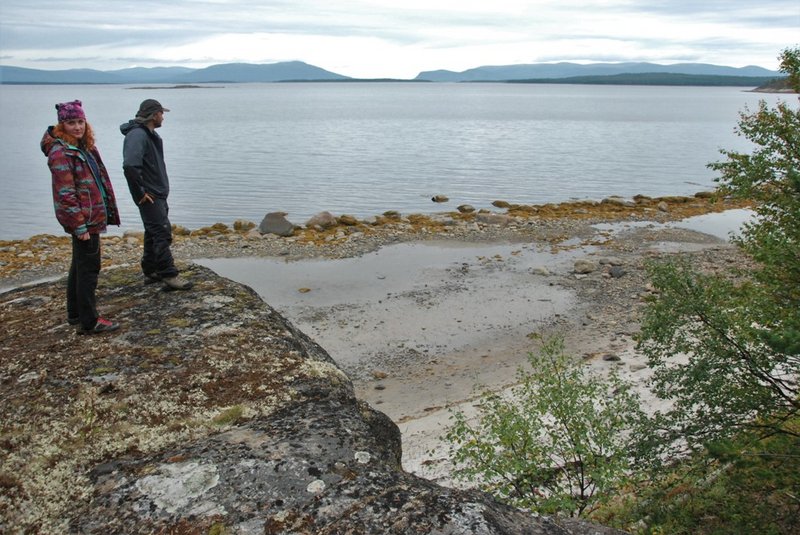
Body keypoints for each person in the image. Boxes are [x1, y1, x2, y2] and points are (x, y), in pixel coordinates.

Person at [41, 100, 121, 334]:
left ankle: (75, 314)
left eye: (80, 122)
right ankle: (90, 321)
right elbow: (65, 194)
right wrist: (79, 225)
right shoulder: (61, 152)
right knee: (89, 269)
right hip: (84, 220)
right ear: (61, 125)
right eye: (71, 122)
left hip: (91, 216)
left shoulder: (83, 147)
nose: (77, 127)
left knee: (79, 266)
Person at [120, 99, 192, 291]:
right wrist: (140, 192)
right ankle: (169, 274)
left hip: (156, 193)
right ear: (154, 115)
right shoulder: (137, 135)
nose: (163, 117)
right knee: (161, 232)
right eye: (161, 113)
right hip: (150, 194)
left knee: (153, 232)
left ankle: (151, 270)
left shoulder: (148, 134)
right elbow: (130, 166)